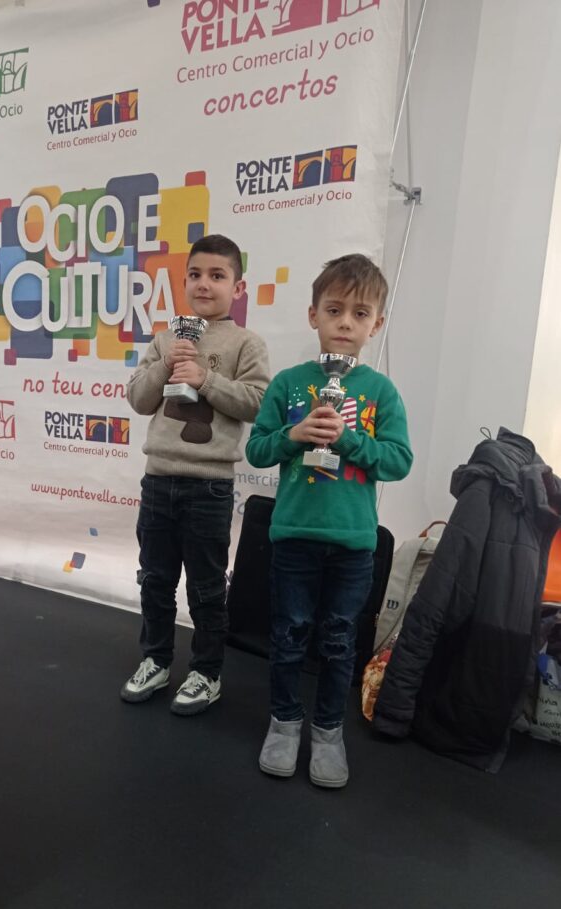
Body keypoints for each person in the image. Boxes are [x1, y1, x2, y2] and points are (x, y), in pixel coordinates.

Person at [246, 253, 412, 787]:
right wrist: (294, 436)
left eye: (360, 314)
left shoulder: (381, 392)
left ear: (376, 324)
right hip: (294, 535)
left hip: (354, 543)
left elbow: (398, 461)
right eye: (334, 309)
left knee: (340, 641)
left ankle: (328, 731)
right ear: (313, 314)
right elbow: (256, 450)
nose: (345, 323)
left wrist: (350, 440)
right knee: (289, 635)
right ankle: (284, 722)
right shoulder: (289, 383)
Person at [122, 234, 270, 714]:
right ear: (183, 281)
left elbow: (258, 403)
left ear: (238, 288)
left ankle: (206, 671)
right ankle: (156, 660)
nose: (204, 284)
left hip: (209, 485)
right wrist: (168, 362)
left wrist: (206, 378)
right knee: (155, 579)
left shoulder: (246, 343)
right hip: (158, 479)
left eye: (217, 275)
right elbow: (139, 398)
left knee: (206, 587)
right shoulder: (165, 339)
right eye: (196, 275)